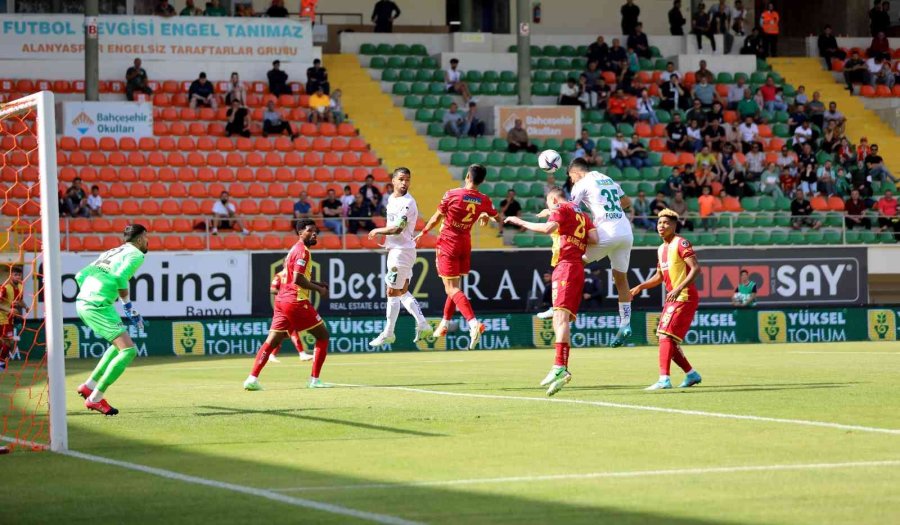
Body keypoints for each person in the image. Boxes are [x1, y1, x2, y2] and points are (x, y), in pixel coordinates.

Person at [505, 187, 599, 396]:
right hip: (576, 267)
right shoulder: (582, 215)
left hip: (565, 266)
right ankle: (562, 368)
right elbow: (594, 239)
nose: (549, 208)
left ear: (554, 199)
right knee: (559, 318)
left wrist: (520, 222)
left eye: (549, 204)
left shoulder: (560, 208)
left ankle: (559, 366)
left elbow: (548, 229)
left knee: (561, 319)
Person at [547, 158, 635, 347]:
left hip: (606, 232)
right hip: (626, 232)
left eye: (570, 177)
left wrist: (548, 213)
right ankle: (625, 323)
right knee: (621, 279)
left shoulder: (581, 184)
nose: (571, 181)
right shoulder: (608, 179)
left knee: (572, 263)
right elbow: (627, 201)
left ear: (575, 172)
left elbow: (569, 210)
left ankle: (559, 307)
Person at [416, 164, 499, 348]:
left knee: (451, 289)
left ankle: (473, 323)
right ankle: (444, 324)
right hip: (464, 244)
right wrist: (485, 214)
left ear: (467, 175)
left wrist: (424, 231)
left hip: (448, 242)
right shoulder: (484, 199)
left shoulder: (452, 194)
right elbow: (497, 218)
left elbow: (437, 217)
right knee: (455, 287)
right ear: (482, 181)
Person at [244, 219, 330, 391]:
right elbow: (298, 280)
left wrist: (316, 282)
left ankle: (251, 379)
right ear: (300, 233)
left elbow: (294, 277)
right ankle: (314, 380)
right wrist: (318, 290)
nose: (314, 234)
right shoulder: (303, 252)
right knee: (323, 336)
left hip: (282, 301)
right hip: (295, 300)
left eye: (316, 231)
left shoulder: (293, 250)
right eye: (310, 230)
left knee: (272, 341)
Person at [74, 225, 149, 415]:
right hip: (98, 306)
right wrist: (128, 308)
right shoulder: (136, 254)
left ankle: (89, 386)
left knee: (119, 346)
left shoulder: (112, 251)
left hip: (85, 302)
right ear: (140, 239)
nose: (147, 242)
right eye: (146, 238)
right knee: (129, 351)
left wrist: (91, 292)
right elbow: (119, 277)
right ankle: (95, 399)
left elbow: (80, 275)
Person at [629, 209, 702, 390]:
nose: (661, 226)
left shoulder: (681, 243)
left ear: (674, 225)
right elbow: (659, 276)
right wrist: (640, 286)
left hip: (684, 296)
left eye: (666, 223)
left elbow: (695, 269)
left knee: (664, 336)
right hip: (674, 297)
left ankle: (664, 379)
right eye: (659, 223)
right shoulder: (661, 249)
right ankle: (691, 374)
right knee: (667, 339)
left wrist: (678, 288)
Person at [367, 168, 433, 346]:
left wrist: (377, 230)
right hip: (397, 250)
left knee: (391, 291)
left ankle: (389, 332)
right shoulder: (391, 199)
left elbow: (397, 229)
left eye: (408, 180)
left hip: (401, 253)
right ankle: (423, 324)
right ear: (393, 181)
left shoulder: (408, 203)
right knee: (402, 291)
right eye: (402, 179)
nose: (405, 183)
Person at [265, 269, 315, 364]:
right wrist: (284, 295)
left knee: (285, 332)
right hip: (283, 307)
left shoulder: (294, 275)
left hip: (291, 305)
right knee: (287, 331)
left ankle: (272, 354)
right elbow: (272, 289)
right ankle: (301, 354)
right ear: (285, 264)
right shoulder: (279, 275)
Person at [0, 265, 25, 372]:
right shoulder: (4, 288)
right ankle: (1, 363)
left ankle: (1, 363)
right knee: (7, 342)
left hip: (9, 319)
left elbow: (19, 300)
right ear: (11, 276)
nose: (17, 277)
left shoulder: (20, 286)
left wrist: (26, 306)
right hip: (1, 318)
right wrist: (10, 310)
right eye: (15, 275)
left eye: (19, 275)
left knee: (7, 343)